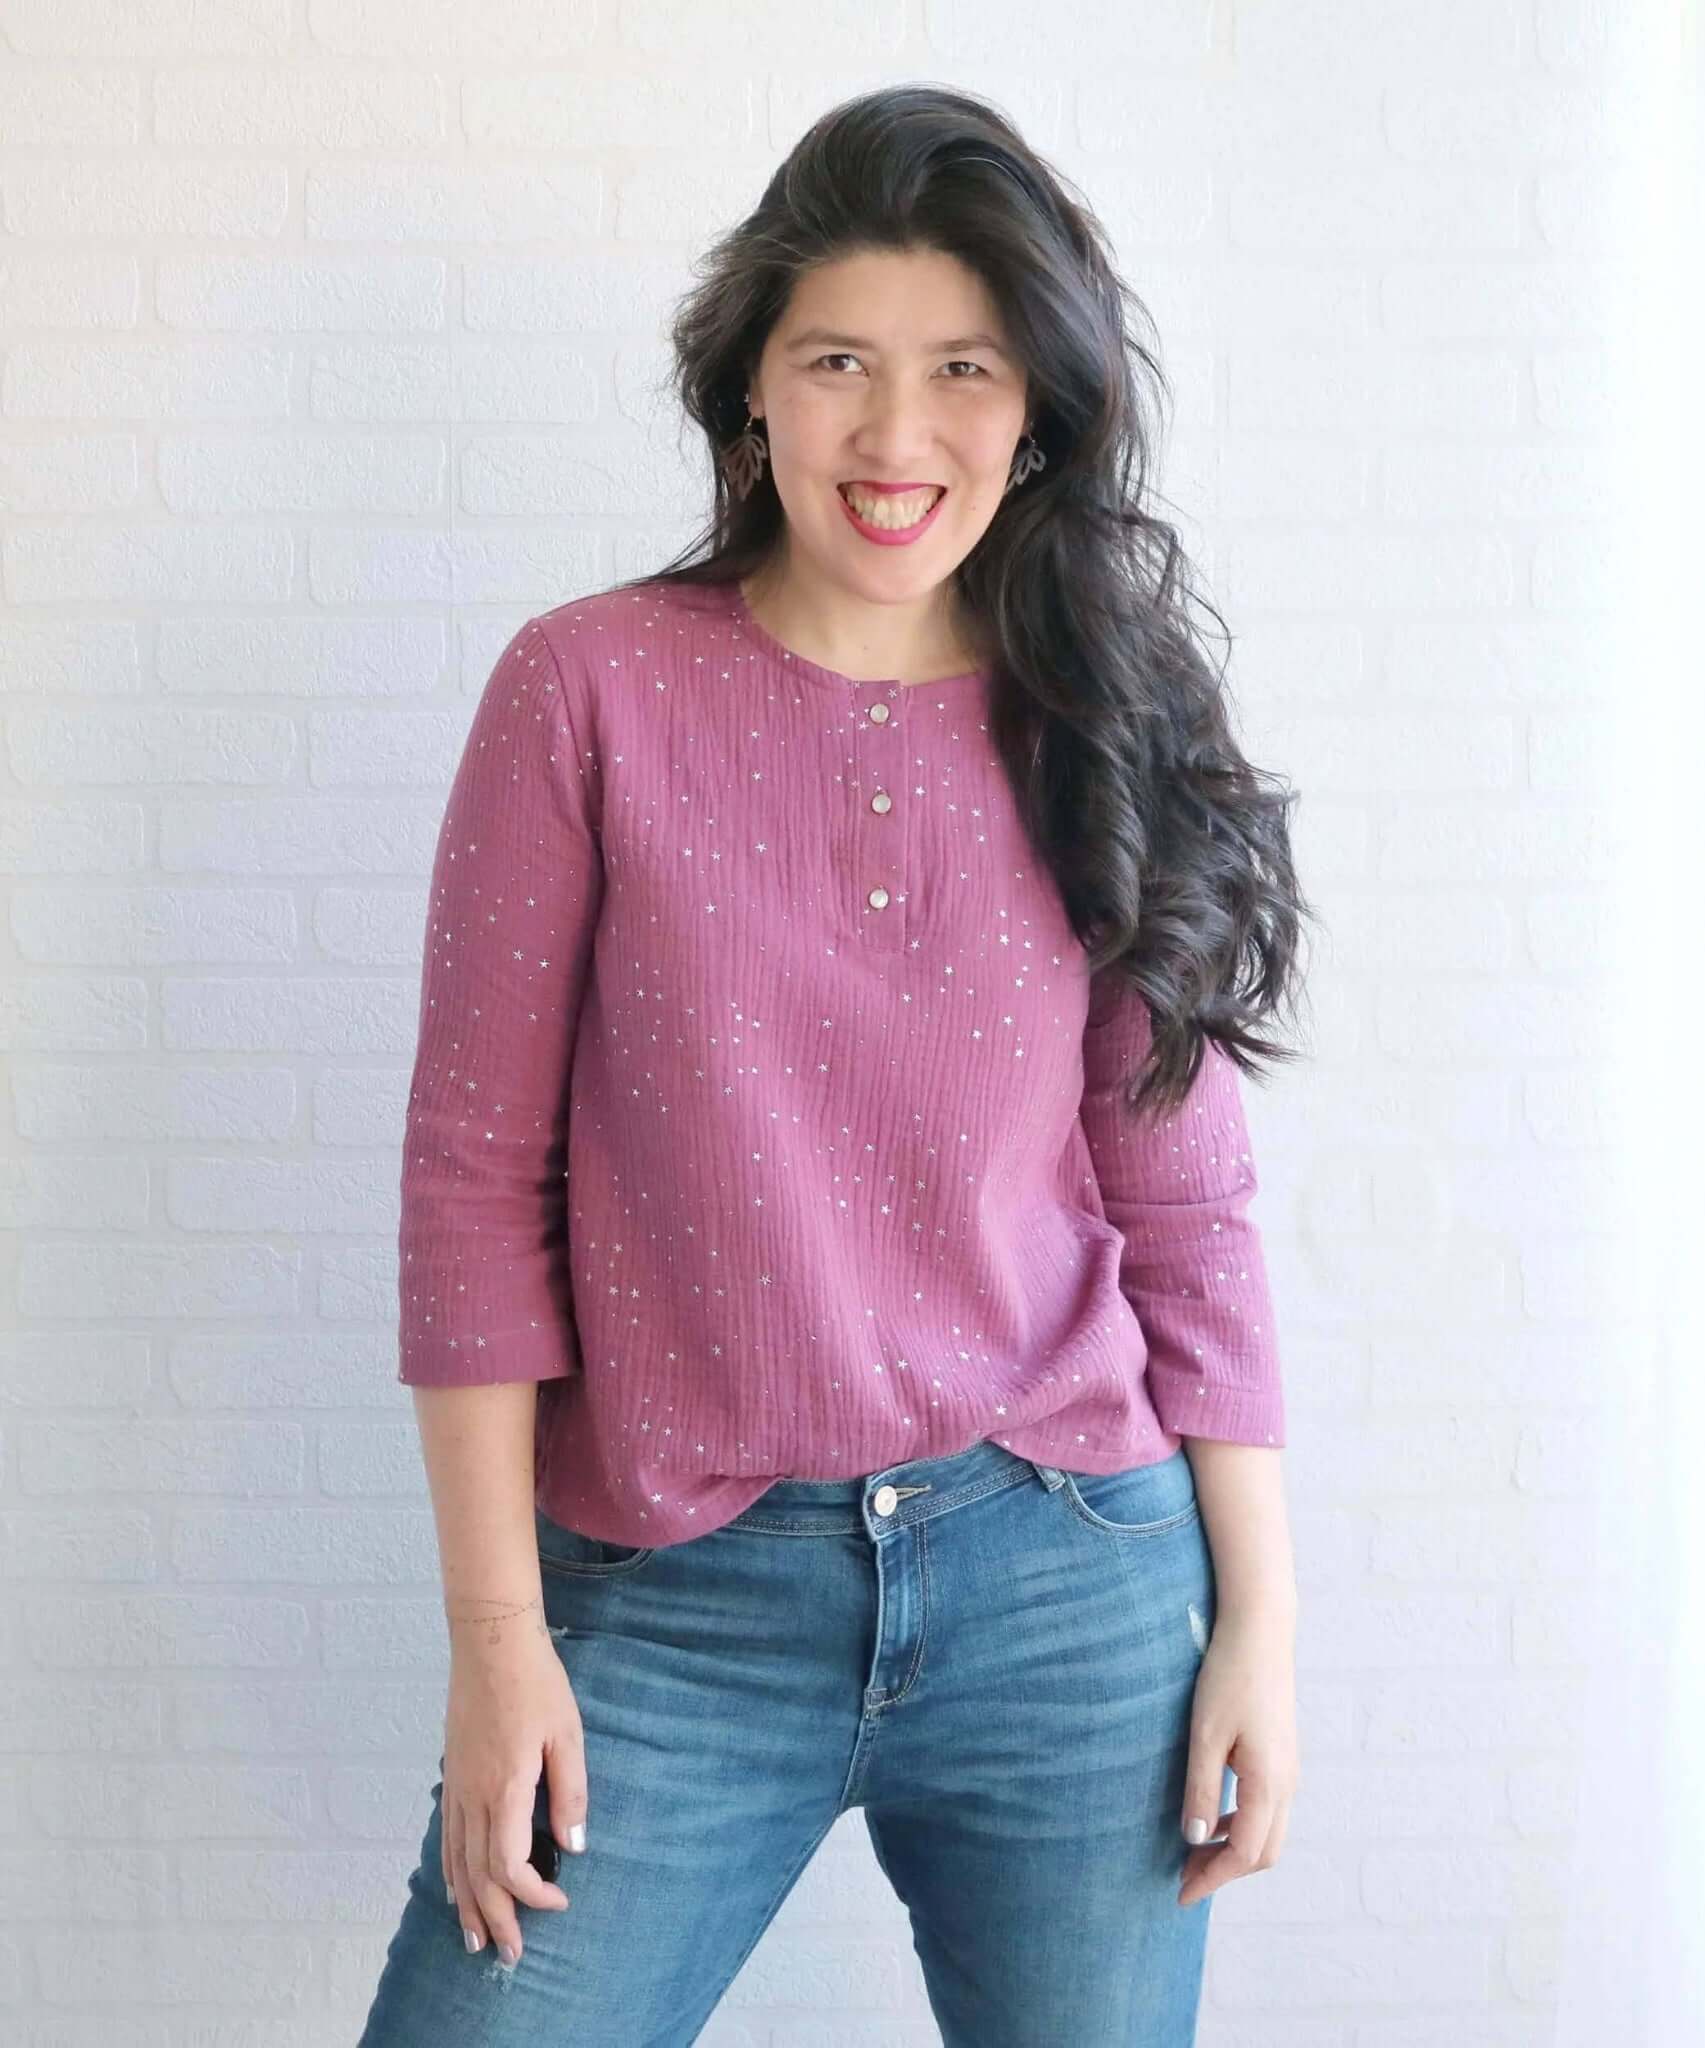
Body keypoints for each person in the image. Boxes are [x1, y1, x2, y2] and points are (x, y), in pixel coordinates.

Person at [358, 81, 1315, 2048]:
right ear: (753, 395)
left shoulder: (1103, 713)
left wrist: (1260, 1626)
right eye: (838, 364)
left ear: (1036, 407)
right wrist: (497, 1644)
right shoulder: (589, 691)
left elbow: (1184, 1202)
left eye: (963, 368)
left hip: (1067, 1577)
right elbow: (473, 1185)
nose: (896, 435)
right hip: (672, 1593)